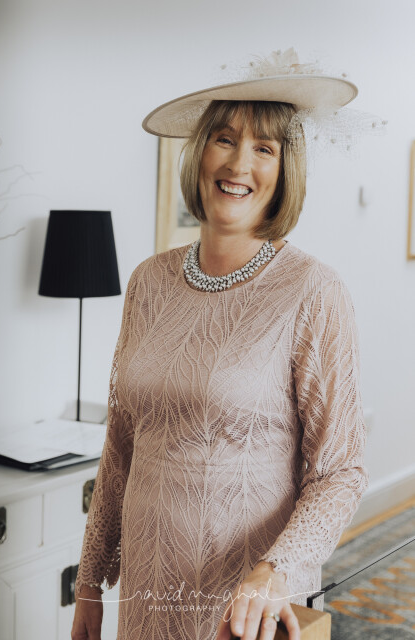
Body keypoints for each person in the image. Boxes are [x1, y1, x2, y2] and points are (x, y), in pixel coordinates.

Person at [71, 48, 374, 640]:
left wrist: (274, 571)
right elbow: (121, 447)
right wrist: (88, 585)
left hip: (245, 605)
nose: (239, 163)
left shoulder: (314, 291)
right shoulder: (148, 282)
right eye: (225, 139)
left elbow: (341, 471)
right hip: (147, 589)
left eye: (264, 148)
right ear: (200, 152)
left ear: (285, 171)